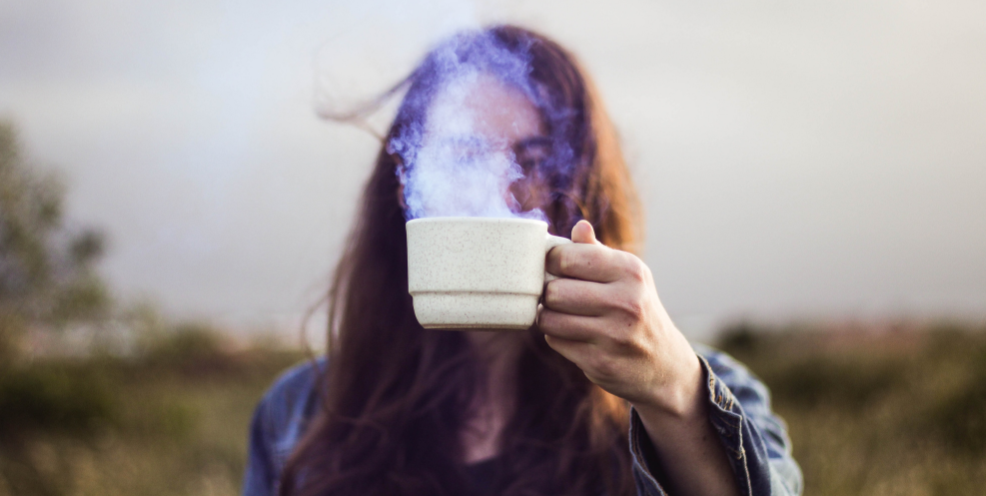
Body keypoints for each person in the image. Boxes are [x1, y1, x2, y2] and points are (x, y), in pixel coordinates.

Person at [242, 26, 802, 496]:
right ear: (403, 184)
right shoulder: (297, 413)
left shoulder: (704, 392)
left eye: (535, 159)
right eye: (463, 154)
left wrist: (674, 393)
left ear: (581, 185)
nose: (505, 189)